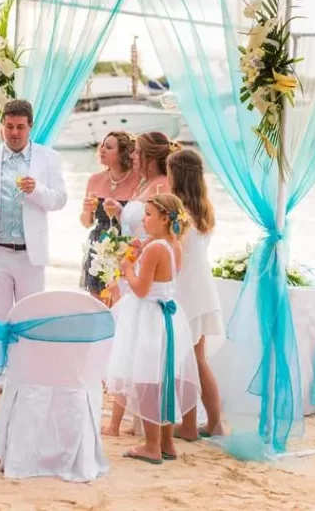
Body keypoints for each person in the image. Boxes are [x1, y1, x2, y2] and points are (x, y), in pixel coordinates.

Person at [0, 99, 67, 396]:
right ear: (3, 126)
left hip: (30, 253)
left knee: (29, 315)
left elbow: (59, 200)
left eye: (20, 127)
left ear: (30, 126)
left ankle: (26, 373)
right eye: (9, 127)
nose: (15, 133)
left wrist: (38, 190)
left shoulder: (49, 158)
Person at [104, 193, 200, 464]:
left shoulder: (155, 249)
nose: (143, 220)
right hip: (167, 316)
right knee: (163, 379)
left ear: (164, 219)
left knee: (146, 380)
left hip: (147, 318)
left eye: (148, 215)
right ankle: (167, 443)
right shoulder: (172, 244)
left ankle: (151, 445)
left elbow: (140, 288)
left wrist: (127, 269)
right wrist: (140, 248)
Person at [167, 148, 225, 440]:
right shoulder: (204, 208)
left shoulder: (178, 211)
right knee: (199, 359)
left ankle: (189, 425)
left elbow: (172, 251)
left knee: (183, 362)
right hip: (203, 288)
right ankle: (215, 423)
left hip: (186, 291)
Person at [103, 131, 178, 302]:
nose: (132, 156)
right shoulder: (145, 183)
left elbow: (164, 230)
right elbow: (138, 222)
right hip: (131, 260)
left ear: (149, 158)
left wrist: (135, 256)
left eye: (137, 152)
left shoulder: (163, 186)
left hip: (145, 265)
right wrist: (120, 211)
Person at [79, 131, 139, 302]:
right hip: (98, 247)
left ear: (123, 153)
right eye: (103, 146)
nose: (102, 150)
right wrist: (87, 210)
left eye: (109, 147)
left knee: (121, 301)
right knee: (98, 303)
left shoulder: (138, 181)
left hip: (125, 246)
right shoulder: (94, 180)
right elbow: (86, 223)